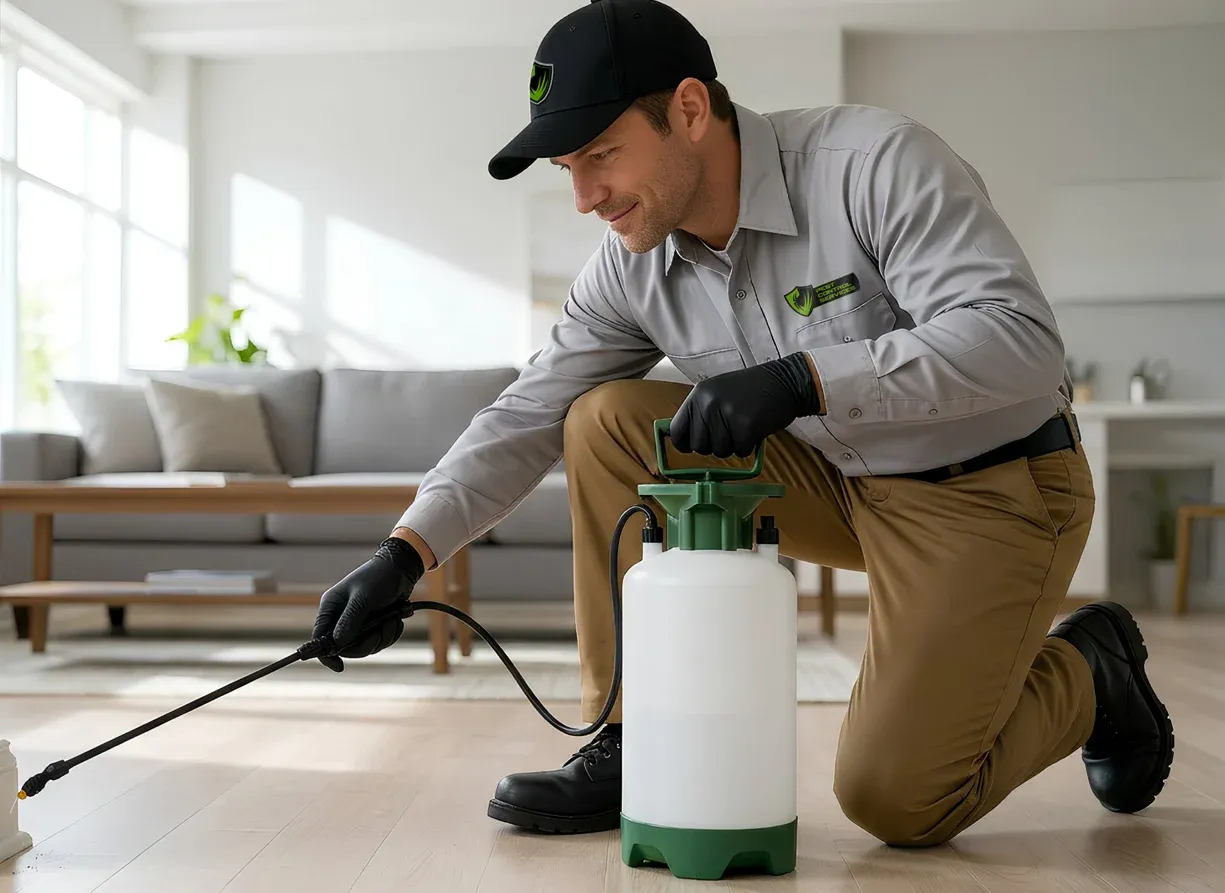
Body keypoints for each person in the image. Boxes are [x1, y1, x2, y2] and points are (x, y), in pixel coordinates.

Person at [311, 0, 1174, 846]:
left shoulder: (872, 163)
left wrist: (804, 378)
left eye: (601, 155)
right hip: (835, 484)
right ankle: (630, 740)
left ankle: (1090, 671)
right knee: (602, 417)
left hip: (989, 489)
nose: (583, 197)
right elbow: (529, 409)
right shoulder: (628, 266)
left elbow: (1019, 341)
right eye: (567, 167)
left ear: (689, 110)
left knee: (897, 800)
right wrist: (406, 552)